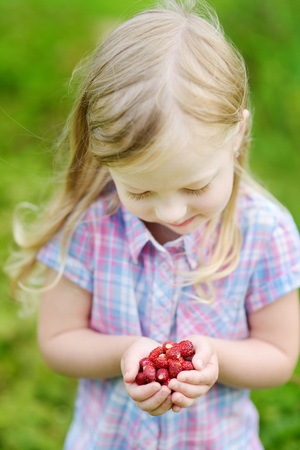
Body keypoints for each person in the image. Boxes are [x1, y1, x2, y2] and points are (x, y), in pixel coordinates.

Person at [6, 0, 300, 448]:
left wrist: (213, 356)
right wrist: (124, 352)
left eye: (196, 187)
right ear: (105, 161)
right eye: (140, 192)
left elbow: (278, 354)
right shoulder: (91, 225)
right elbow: (58, 339)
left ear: (237, 134)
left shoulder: (266, 233)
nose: (169, 213)